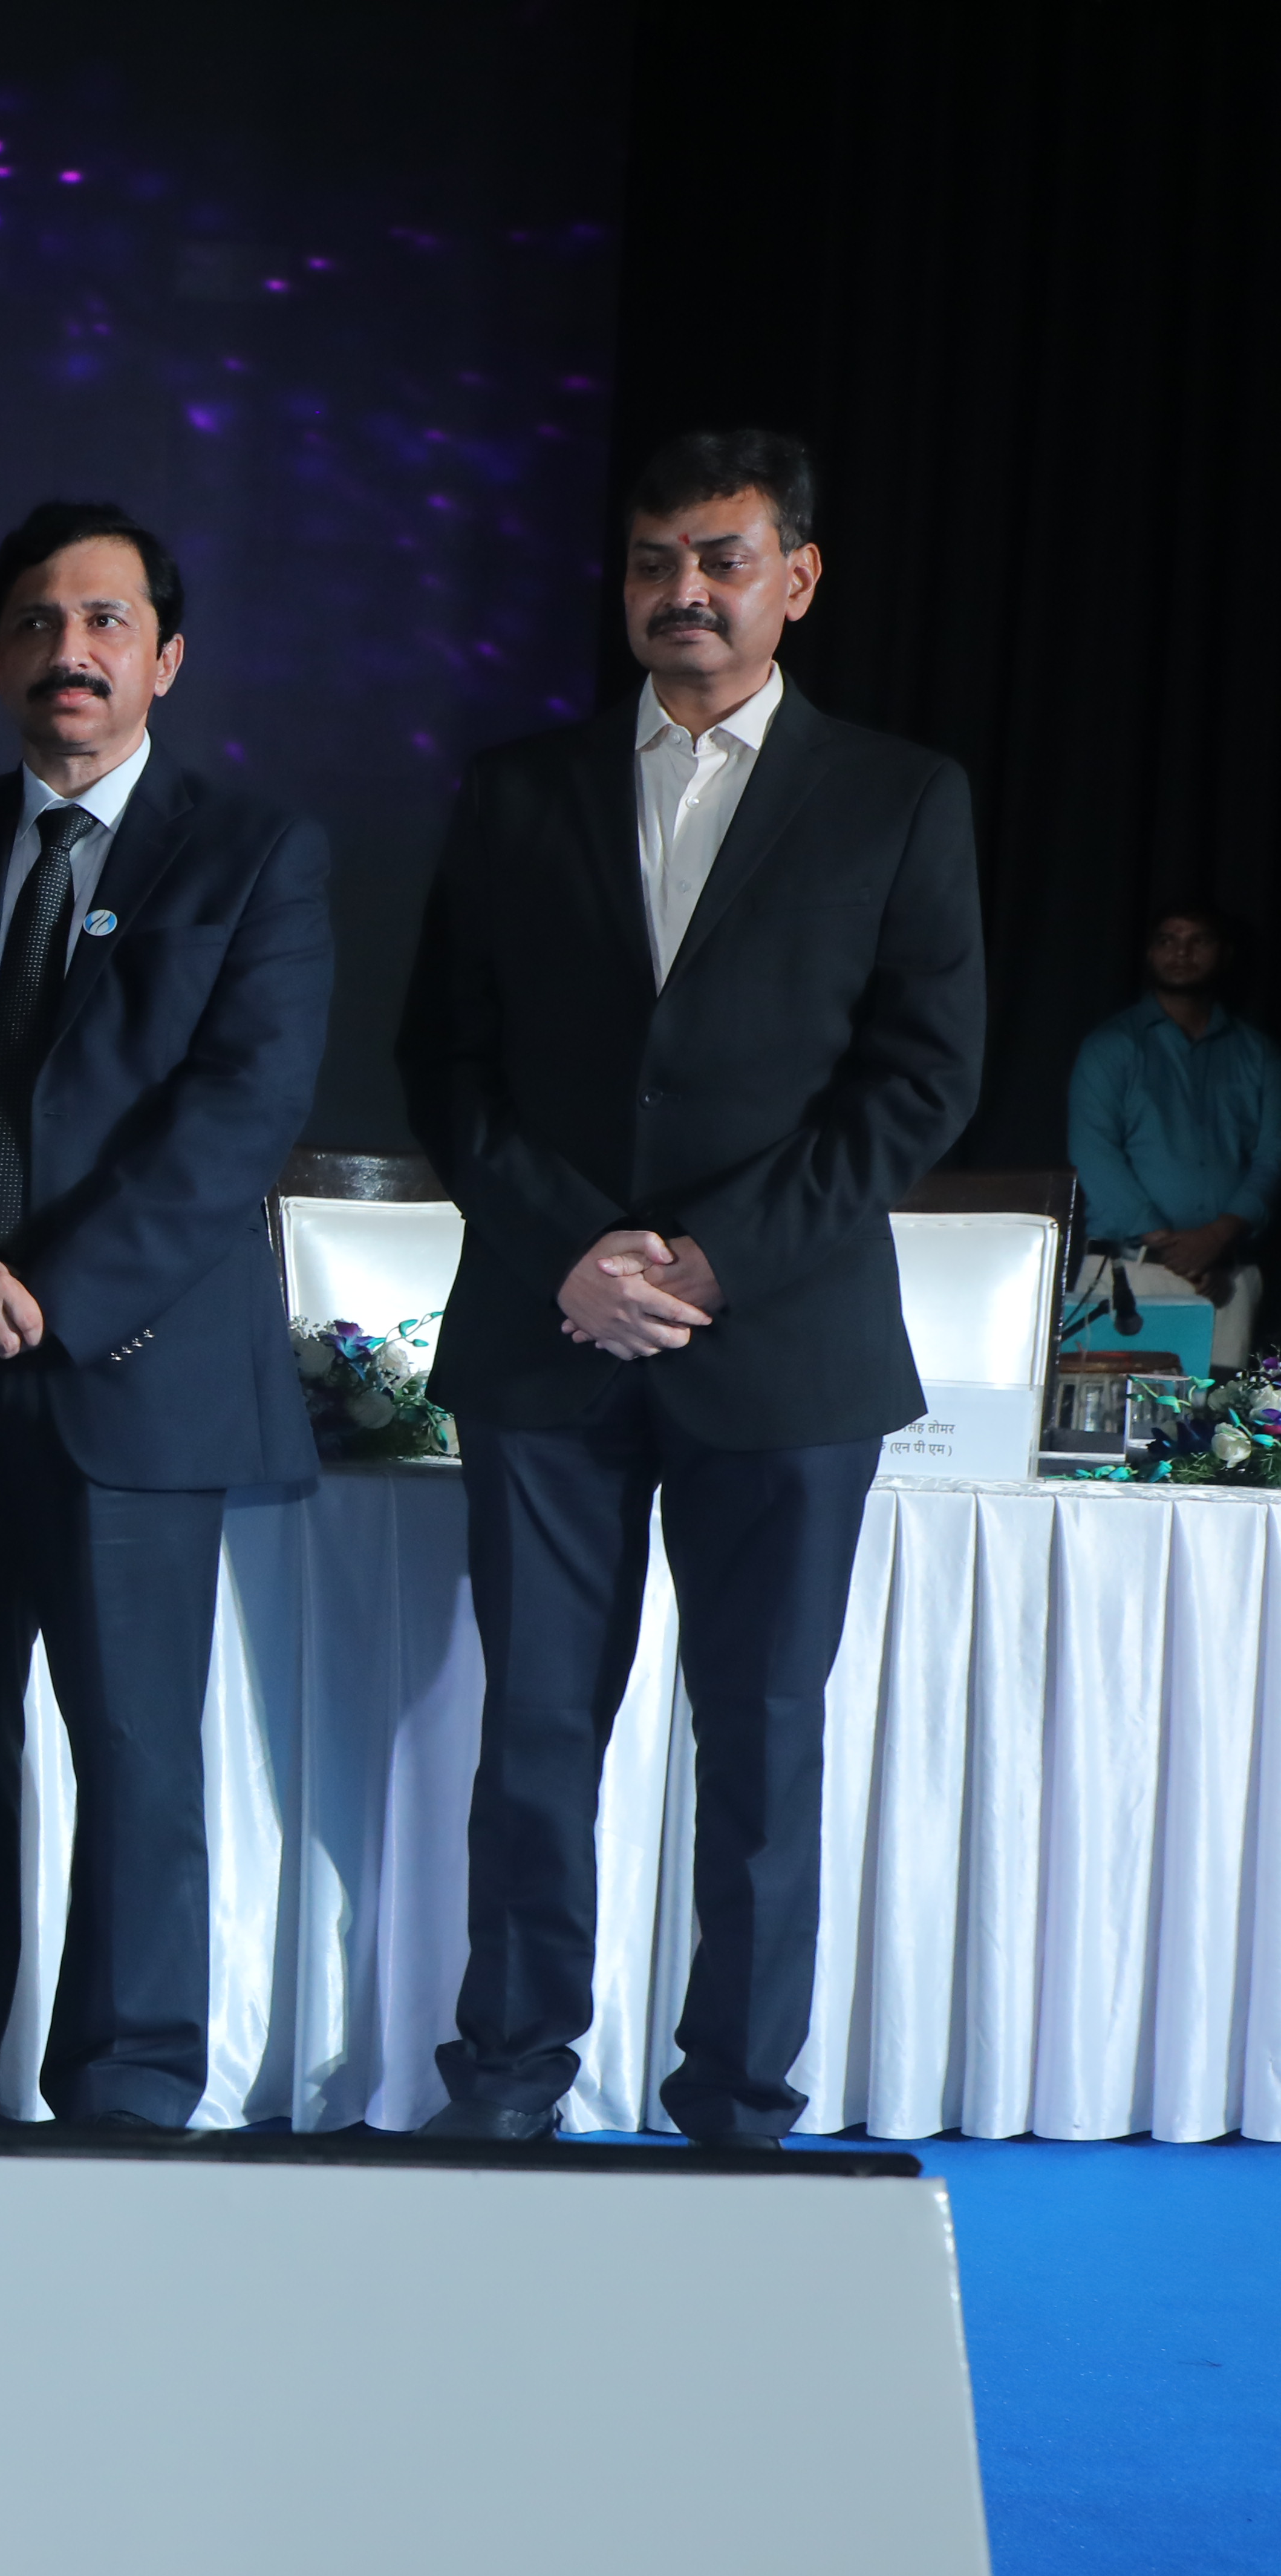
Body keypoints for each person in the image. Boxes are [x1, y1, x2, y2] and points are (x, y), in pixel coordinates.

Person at [400, 428, 982, 2146]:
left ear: (797, 578)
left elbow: (920, 1081)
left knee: (764, 1746)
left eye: (724, 561)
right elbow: (446, 1061)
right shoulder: (520, 788)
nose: (685, 593)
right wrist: (570, 1250)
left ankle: (736, 2101)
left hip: (786, 1348)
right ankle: (509, 2081)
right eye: (655, 562)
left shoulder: (898, 796)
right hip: (549, 1329)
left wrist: (715, 1261)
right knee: (533, 1740)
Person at [0, 502, 333, 2131]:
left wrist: (44, 1293)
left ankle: (130, 2083)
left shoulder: (253, 855)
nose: (69, 652)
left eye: (106, 624)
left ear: (168, 658)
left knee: (139, 1759)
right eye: (36, 622)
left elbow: (235, 1120)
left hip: (137, 1376)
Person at [1068, 905, 1279, 1364]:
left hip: (1226, 1281)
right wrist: (1172, 1247)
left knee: (1221, 1408)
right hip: (1129, 1273)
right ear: (1150, 954)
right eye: (1168, 940)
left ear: (1224, 954)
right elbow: (1094, 1152)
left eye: (1198, 940)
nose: (1181, 952)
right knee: (1115, 1407)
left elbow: (1272, 1157)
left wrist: (1216, 1238)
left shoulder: (1259, 1054)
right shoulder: (1111, 1046)